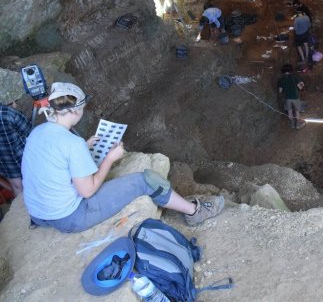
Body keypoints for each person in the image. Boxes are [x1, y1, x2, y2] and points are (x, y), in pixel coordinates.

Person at [21, 82, 224, 233]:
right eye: (82, 108)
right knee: (145, 180)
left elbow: (53, 157)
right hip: (69, 217)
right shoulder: (72, 145)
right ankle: (193, 212)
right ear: (74, 109)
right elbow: (88, 191)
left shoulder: (37, 132)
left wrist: (84, 145)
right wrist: (110, 158)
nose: (83, 112)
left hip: (39, 214)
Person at [0, 69, 31, 197]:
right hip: (22, 154)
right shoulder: (8, 113)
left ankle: (23, 212)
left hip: (4, 160)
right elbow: (29, 130)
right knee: (32, 181)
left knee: (17, 186)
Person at [277, 64, 305, 130]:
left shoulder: (281, 80)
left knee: (289, 111)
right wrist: (302, 84)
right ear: (290, 70)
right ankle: (298, 125)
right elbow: (300, 87)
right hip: (295, 97)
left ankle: (292, 124)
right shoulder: (294, 78)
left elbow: (280, 91)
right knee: (297, 111)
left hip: (287, 98)